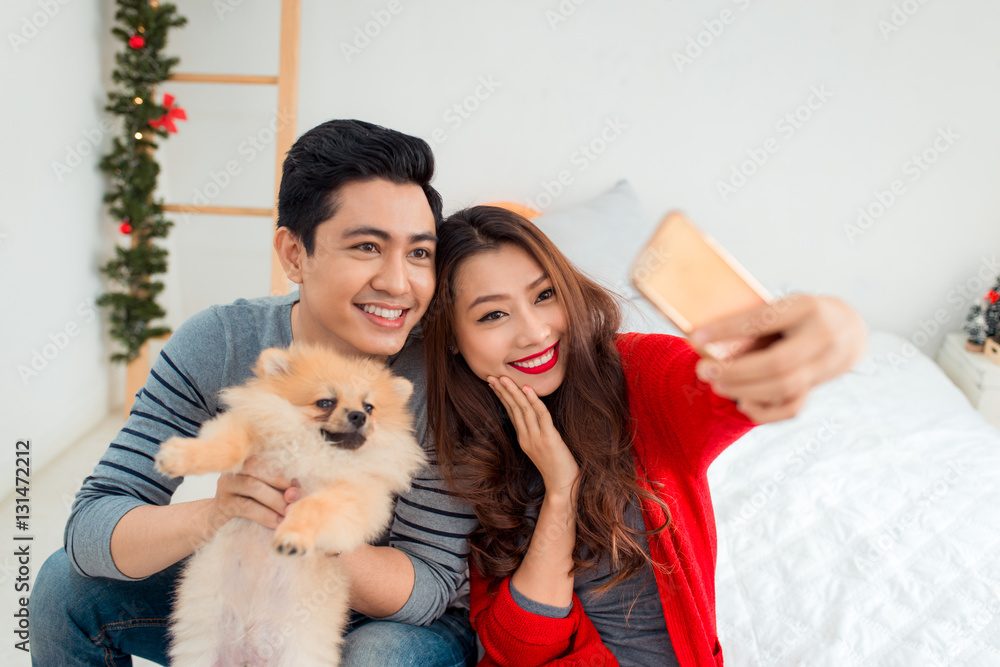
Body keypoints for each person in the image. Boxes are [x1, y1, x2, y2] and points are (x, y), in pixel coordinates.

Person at [29, 120, 478, 667]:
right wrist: (216, 512)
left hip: (392, 615)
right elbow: (92, 525)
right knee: (65, 590)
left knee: (376, 657)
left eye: (418, 254)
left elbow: (430, 586)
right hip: (256, 579)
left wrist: (318, 524)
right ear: (293, 253)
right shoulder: (221, 341)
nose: (398, 283)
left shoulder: (444, 374)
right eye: (367, 246)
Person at [423, 205, 868, 666]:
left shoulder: (638, 376)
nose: (534, 333)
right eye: (494, 315)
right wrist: (562, 490)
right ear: (452, 336)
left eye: (545, 295)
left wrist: (835, 327)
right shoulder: (458, 443)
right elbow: (516, 649)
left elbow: (735, 387)